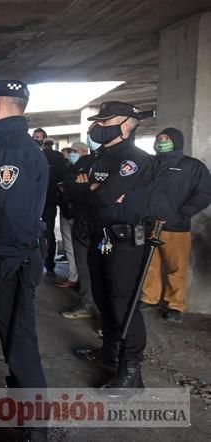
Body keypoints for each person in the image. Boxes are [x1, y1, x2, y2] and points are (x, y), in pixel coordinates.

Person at [0, 80, 49, 441]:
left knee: (21, 345)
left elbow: (12, 224)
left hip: (13, 262)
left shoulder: (12, 152)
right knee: (14, 340)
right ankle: (23, 413)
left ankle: (34, 429)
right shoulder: (2, 147)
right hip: (8, 259)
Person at [73, 101, 155, 393]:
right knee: (103, 297)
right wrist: (91, 191)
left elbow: (102, 195)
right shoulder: (101, 157)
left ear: (128, 124)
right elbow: (79, 190)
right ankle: (110, 350)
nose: (99, 126)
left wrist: (93, 190)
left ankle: (132, 372)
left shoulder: (135, 159)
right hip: (100, 236)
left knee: (124, 303)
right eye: (99, 120)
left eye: (107, 120)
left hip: (124, 242)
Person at [140, 128, 211, 323]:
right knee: (150, 264)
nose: (161, 141)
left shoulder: (192, 166)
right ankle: (150, 297)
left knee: (176, 267)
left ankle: (174, 305)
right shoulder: (151, 164)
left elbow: (204, 194)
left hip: (176, 226)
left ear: (177, 141)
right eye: (159, 138)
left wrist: (183, 213)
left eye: (166, 138)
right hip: (150, 224)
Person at [60, 141, 100, 319]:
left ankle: (104, 316)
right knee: (83, 264)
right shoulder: (83, 163)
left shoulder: (117, 160)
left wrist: (83, 188)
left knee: (102, 270)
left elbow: (104, 193)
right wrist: (82, 188)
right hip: (80, 219)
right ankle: (86, 302)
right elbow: (69, 186)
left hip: (101, 224)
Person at [55, 142, 89, 289]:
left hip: (79, 215)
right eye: (70, 151)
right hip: (66, 211)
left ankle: (84, 281)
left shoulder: (89, 166)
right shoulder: (68, 167)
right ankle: (73, 277)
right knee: (69, 247)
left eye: (74, 151)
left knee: (81, 251)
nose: (71, 154)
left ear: (83, 152)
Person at [35, 130, 67, 278]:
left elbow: (62, 178)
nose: (36, 140)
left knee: (48, 233)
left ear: (45, 139)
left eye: (38, 137)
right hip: (34, 202)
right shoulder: (29, 153)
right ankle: (36, 264)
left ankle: (49, 265)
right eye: (34, 137)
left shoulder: (54, 157)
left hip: (48, 201)